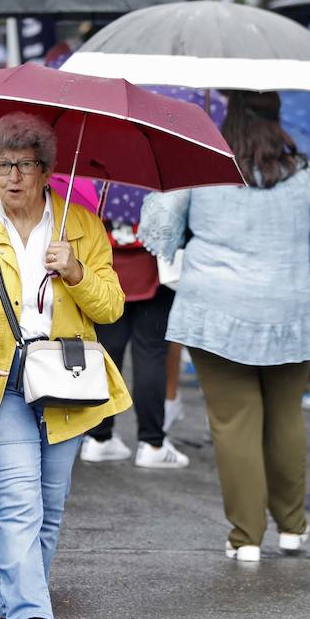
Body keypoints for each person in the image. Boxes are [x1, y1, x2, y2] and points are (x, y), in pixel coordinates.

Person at [139, 91, 310, 564]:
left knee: (235, 423)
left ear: (228, 118)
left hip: (215, 310)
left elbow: (160, 225)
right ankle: (293, 527)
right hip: (292, 310)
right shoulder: (305, 174)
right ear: (278, 119)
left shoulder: (200, 164)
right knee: (285, 417)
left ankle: (246, 537)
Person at [0, 112, 131, 619]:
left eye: (23, 165)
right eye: (1, 166)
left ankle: (13, 613)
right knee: (17, 503)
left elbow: (113, 307)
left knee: (49, 507)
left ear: (47, 170)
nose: (10, 177)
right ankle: (32, 617)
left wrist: (75, 271)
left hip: (66, 378)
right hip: (0, 381)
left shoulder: (80, 224)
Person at [80, 195, 187, 469]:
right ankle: (152, 443)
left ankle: (98, 437)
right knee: (151, 354)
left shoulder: (98, 162)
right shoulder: (159, 160)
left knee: (105, 352)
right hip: (153, 263)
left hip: (106, 262)